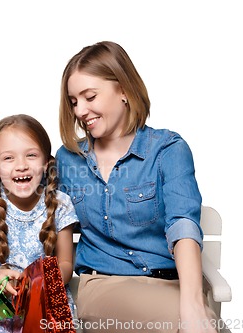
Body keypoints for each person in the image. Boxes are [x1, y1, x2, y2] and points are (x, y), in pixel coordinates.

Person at [56, 41, 218, 333]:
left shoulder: (168, 150)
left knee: (199, 320)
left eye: (90, 96)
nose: (80, 110)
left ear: (123, 90)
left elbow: (182, 224)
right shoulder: (69, 159)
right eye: (73, 101)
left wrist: (192, 303)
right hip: (103, 284)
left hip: (169, 285)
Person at [0, 114, 78, 333]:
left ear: (46, 163)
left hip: (46, 306)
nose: (21, 166)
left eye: (31, 155)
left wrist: (42, 283)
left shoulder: (60, 203)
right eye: (9, 158)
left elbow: (65, 264)